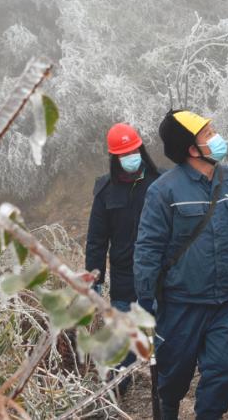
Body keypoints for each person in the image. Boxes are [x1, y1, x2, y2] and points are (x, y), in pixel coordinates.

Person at [134, 110, 228, 420]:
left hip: (227, 301)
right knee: (174, 374)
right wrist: (145, 299)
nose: (217, 137)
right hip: (180, 304)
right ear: (192, 149)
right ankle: (169, 407)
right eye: (208, 134)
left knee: (225, 369)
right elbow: (148, 248)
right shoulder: (163, 191)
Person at [85, 123, 160, 377]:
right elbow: (97, 239)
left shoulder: (159, 182)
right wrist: (95, 278)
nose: (131, 157)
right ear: (115, 158)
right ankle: (120, 383)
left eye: (134, 151)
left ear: (141, 150)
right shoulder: (105, 191)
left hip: (159, 273)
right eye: (124, 154)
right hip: (124, 276)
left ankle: (163, 381)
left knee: (162, 333)